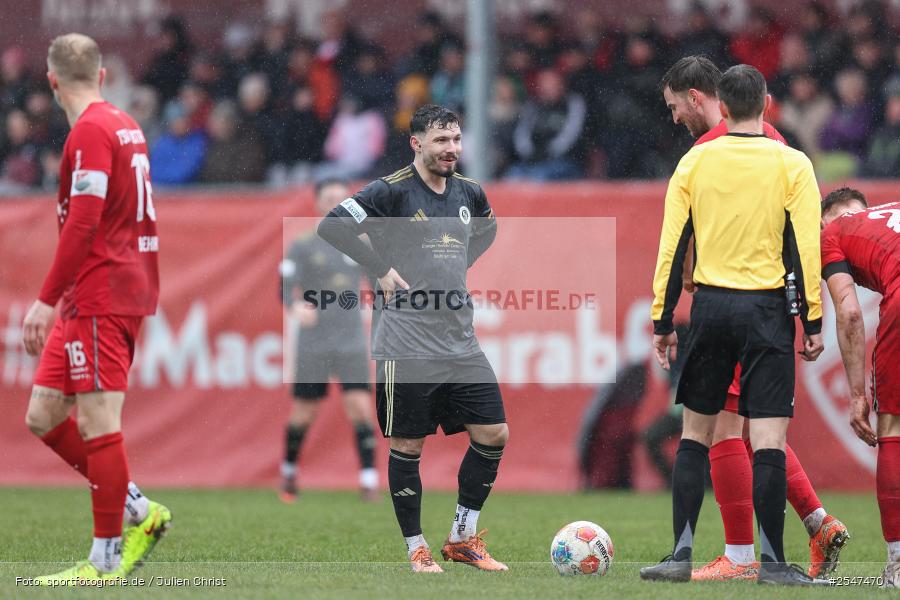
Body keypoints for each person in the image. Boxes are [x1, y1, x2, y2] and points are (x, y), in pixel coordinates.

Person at [658, 55, 847, 582]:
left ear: (701, 98)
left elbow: (680, 237)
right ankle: (811, 524)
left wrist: (666, 309)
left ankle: (741, 555)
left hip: (724, 302)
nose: (674, 118)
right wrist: (808, 316)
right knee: (756, 430)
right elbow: (796, 235)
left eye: (675, 107)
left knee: (723, 428)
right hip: (766, 308)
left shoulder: (705, 154)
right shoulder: (779, 149)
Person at [317, 104, 506, 573]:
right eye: (441, 140)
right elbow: (332, 224)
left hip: (460, 339)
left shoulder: (470, 192)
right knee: (408, 446)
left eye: (456, 139)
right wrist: (380, 268)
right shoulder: (390, 190)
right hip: (405, 342)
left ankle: (461, 538)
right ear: (416, 143)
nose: (451, 149)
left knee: (493, 433)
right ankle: (416, 548)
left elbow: (487, 228)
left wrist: (456, 265)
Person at [21, 33, 170, 584]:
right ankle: (139, 509)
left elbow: (84, 221)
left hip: (102, 290)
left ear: (52, 81)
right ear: (102, 76)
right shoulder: (125, 123)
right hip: (97, 289)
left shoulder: (89, 131)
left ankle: (104, 561)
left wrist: (44, 301)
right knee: (43, 415)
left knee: (97, 421)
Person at [279, 178, 379, 503]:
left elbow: (379, 283)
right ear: (319, 204)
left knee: (360, 409)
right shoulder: (304, 245)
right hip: (315, 341)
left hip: (351, 340)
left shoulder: (360, 244)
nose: (336, 204)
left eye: (341, 198)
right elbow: (284, 286)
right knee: (303, 413)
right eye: (329, 198)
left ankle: (369, 481)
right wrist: (295, 306)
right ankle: (289, 473)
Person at [819, 188, 900, 588]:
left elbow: (850, 314)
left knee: (893, 429)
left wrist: (856, 397)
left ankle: (898, 565)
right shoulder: (890, 212)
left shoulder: (830, 234)